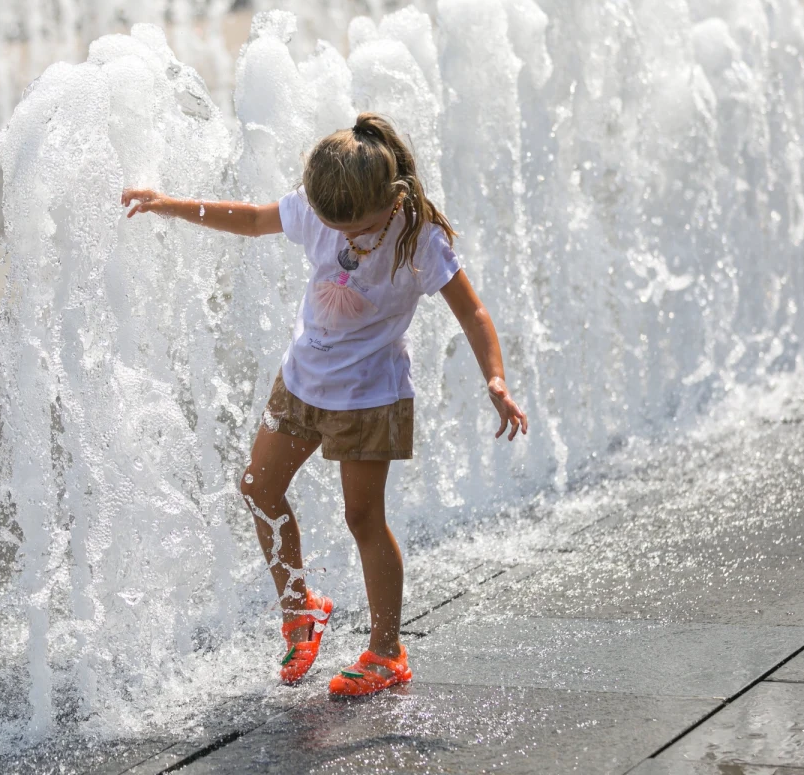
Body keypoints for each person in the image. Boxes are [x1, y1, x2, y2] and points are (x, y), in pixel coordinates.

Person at [121, 112, 527, 696]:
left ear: (393, 200)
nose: (348, 240)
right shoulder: (322, 211)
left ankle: (387, 653)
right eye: (336, 229)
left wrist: (495, 380)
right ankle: (301, 608)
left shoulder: (421, 239)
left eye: (358, 230)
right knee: (258, 488)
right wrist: (171, 204)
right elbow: (256, 219)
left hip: (369, 398)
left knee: (363, 519)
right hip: (302, 384)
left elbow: (473, 312)